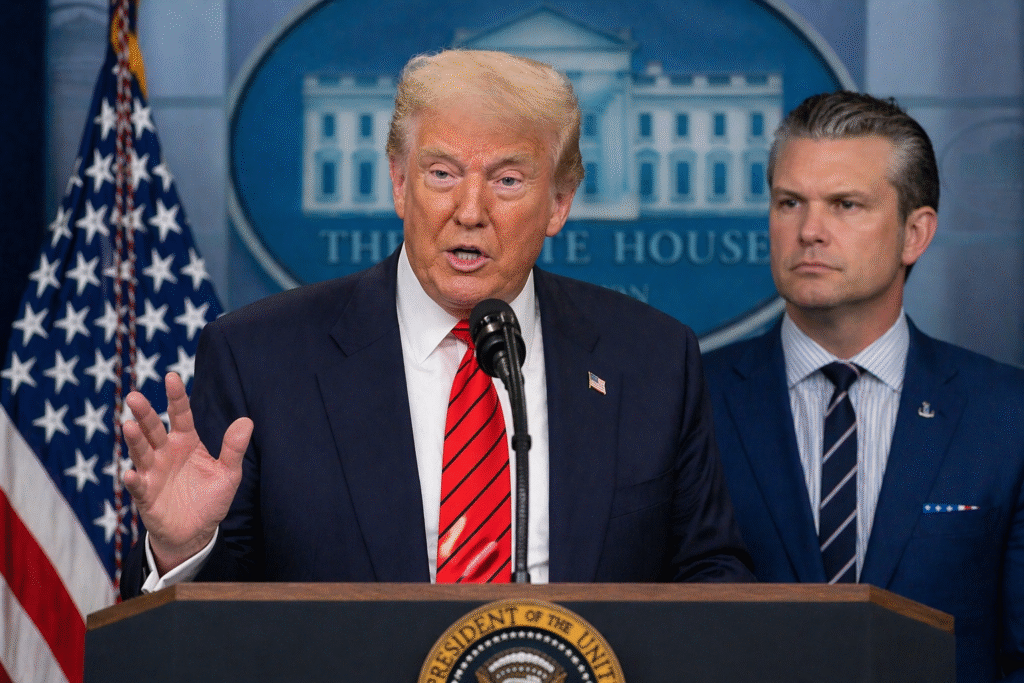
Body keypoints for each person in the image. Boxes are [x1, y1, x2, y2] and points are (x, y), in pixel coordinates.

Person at [120, 49, 753, 596]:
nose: (469, 211)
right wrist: (180, 551)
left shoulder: (650, 358)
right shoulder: (258, 358)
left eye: (507, 179)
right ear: (399, 183)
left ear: (560, 202)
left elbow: (709, 573)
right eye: (442, 174)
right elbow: (211, 629)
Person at [702, 90, 1024, 681]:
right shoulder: (689, 400)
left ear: (915, 234)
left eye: (846, 204)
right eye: (789, 202)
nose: (810, 231)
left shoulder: (1007, 416)